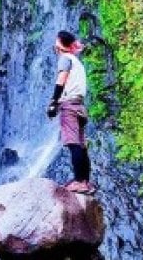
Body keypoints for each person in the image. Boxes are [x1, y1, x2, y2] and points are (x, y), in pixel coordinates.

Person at [46, 30, 95, 194]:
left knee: (73, 144)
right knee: (81, 145)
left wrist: (53, 102)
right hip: (80, 106)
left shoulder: (65, 59)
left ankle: (79, 181)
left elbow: (61, 81)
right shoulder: (77, 61)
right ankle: (85, 182)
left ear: (59, 44)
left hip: (70, 107)